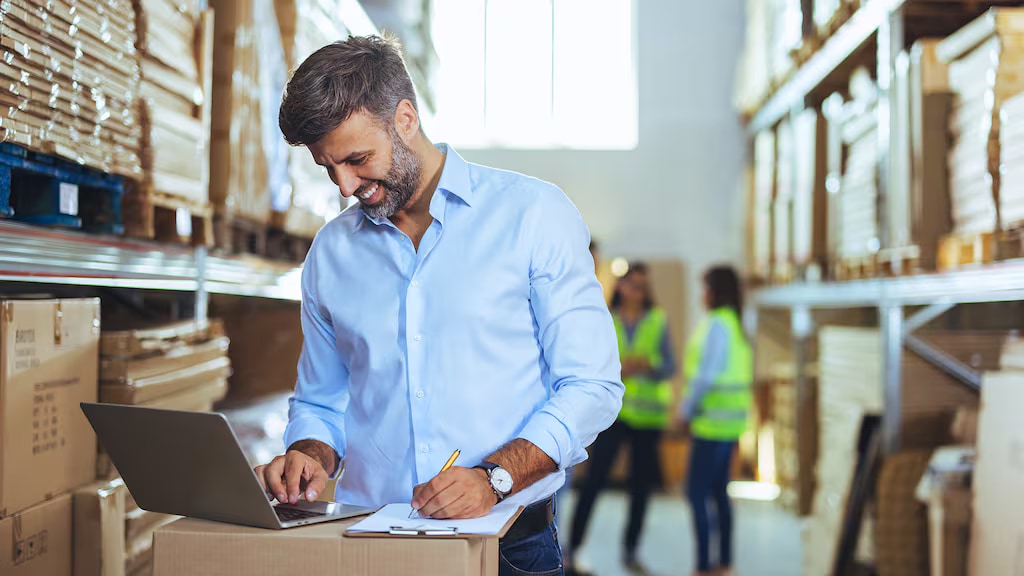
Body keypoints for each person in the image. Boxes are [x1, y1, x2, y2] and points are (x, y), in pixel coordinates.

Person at [253, 35, 623, 576]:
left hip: (508, 548)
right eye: (330, 169)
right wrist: (309, 455)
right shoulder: (331, 253)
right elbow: (321, 401)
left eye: (357, 161)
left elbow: (593, 385)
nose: (345, 187)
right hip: (367, 541)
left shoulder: (533, 216)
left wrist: (493, 480)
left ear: (405, 119)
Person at [568, 262, 676, 575]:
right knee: (593, 482)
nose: (637, 292)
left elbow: (670, 367)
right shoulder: (607, 319)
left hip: (647, 418)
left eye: (643, 286)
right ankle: (572, 549)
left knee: (640, 488)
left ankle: (631, 550)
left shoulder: (658, 320)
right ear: (621, 286)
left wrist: (648, 365)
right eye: (632, 285)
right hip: (612, 415)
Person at [675, 266, 753, 576]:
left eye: (705, 288)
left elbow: (705, 376)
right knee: (720, 493)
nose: (701, 294)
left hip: (711, 425)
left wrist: (685, 412)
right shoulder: (734, 323)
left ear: (716, 292)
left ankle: (704, 566)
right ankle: (725, 562)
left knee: (696, 494)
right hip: (730, 425)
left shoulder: (717, 325)